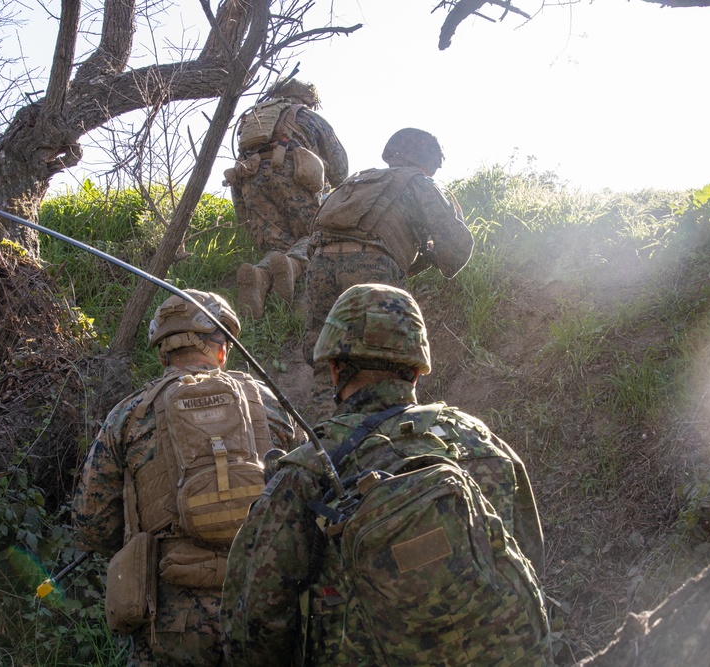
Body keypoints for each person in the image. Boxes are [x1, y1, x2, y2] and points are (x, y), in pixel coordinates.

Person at [222, 284, 551, 667]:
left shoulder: (309, 469)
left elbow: (255, 623)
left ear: (334, 369)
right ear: (416, 370)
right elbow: (527, 560)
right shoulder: (480, 442)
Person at [72, 290, 303, 667]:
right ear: (222, 350)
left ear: (163, 354)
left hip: (169, 621)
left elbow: (91, 526)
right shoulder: (276, 407)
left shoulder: (128, 416)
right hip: (263, 611)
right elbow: (305, 503)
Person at [302, 127, 475, 422]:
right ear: (427, 162)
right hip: (372, 267)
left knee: (328, 361)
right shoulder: (418, 183)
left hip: (318, 266)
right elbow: (457, 247)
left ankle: (326, 440)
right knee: (382, 360)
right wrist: (432, 257)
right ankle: (380, 441)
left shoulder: (356, 182)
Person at [224, 78, 349, 319]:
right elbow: (340, 169)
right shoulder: (306, 116)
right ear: (307, 99)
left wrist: (242, 213)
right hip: (292, 175)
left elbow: (240, 165)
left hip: (250, 183)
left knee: (278, 246)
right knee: (313, 235)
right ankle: (292, 266)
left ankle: (260, 274)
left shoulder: (253, 121)